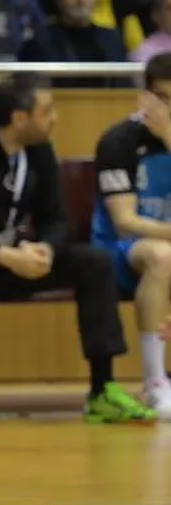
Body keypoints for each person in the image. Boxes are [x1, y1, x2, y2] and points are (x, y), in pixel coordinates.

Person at [0, 73, 156, 428]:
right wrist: (2, 255)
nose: (55, 118)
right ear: (20, 118)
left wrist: (45, 250)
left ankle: (103, 388)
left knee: (93, 261)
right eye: (47, 111)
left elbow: (56, 218)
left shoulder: (38, 151)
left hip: (13, 261)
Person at [90, 52, 171, 420]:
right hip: (119, 250)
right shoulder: (118, 140)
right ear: (146, 97)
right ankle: (155, 382)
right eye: (164, 99)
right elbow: (125, 221)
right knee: (162, 256)